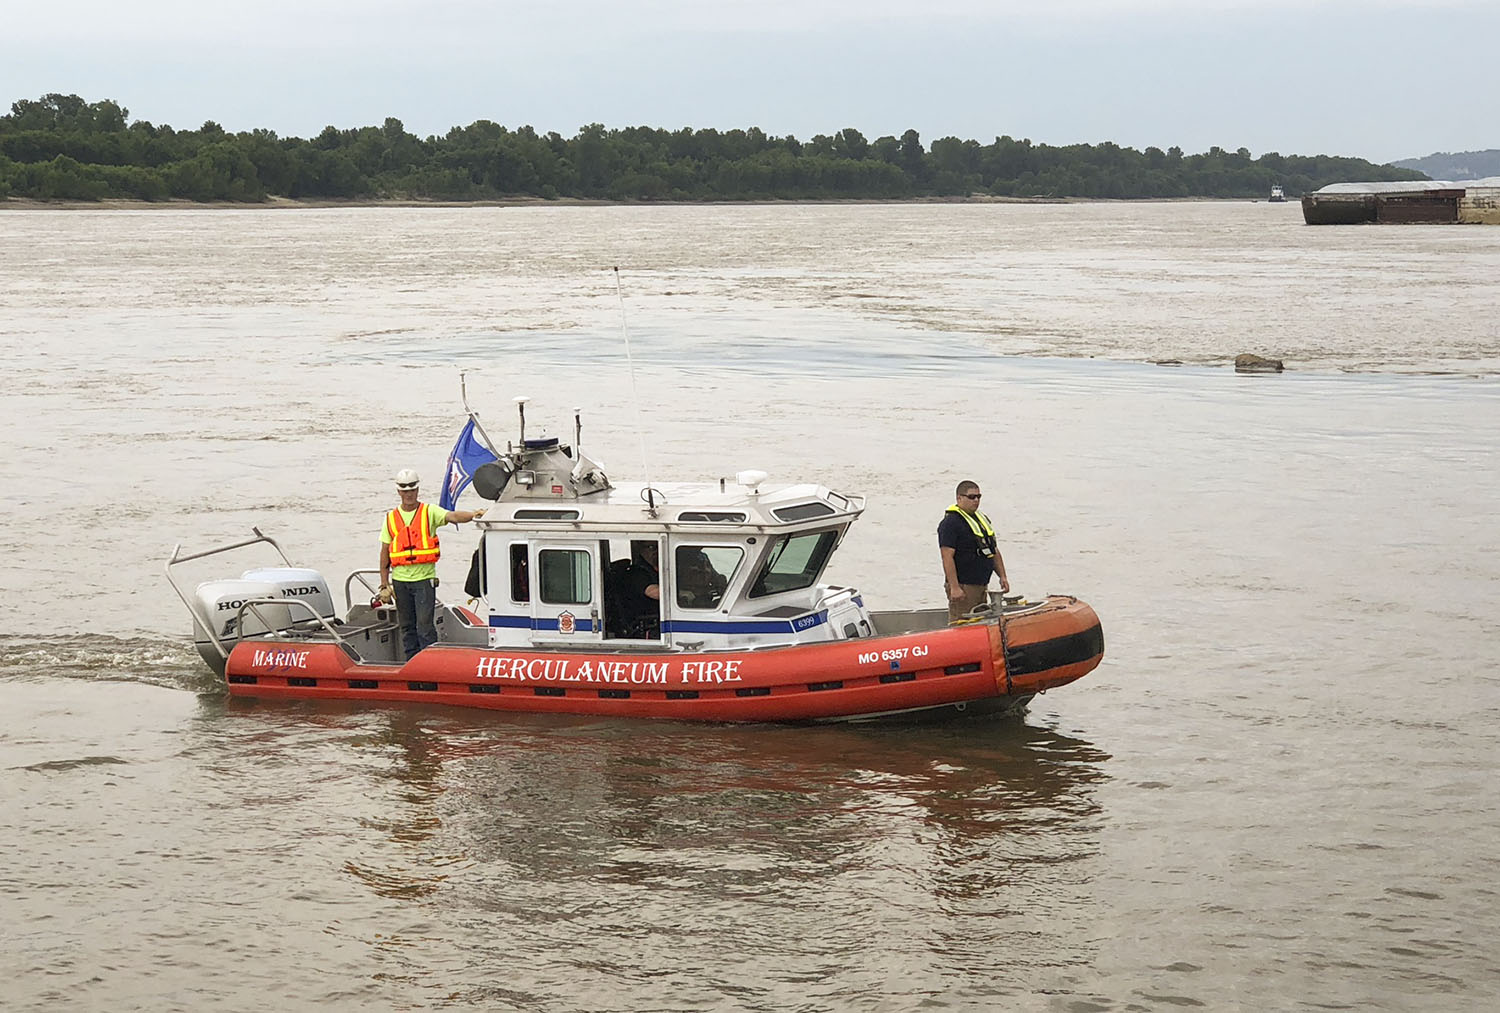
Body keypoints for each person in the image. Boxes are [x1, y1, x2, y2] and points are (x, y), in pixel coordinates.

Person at [378, 468, 485, 660]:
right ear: (398, 492)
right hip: (400, 582)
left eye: (412, 488)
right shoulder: (390, 519)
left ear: (417, 490)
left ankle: (430, 662)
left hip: (424, 581)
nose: (408, 493)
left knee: (425, 626)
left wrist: (473, 514)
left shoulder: (429, 512)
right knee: (407, 627)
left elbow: (452, 516)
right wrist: (384, 584)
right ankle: (412, 663)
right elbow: (385, 552)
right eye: (404, 489)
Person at [938, 480, 1009, 622]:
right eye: (971, 497)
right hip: (964, 587)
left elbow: (993, 550)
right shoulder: (950, 524)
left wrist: (1002, 576)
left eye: (978, 496)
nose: (976, 500)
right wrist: (954, 587)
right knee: (962, 624)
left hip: (982, 585)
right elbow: (947, 557)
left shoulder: (981, 520)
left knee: (981, 623)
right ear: (959, 498)